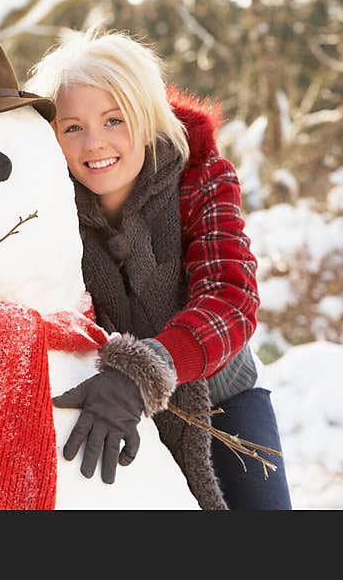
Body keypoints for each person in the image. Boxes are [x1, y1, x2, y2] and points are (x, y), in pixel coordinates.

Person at [27, 29, 291, 510]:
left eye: (114, 120)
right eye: (72, 127)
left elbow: (230, 297)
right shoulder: (45, 207)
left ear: (147, 119)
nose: (94, 143)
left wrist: (146, 370)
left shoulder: (200, 175)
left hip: (221, 399)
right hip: (105, 403)